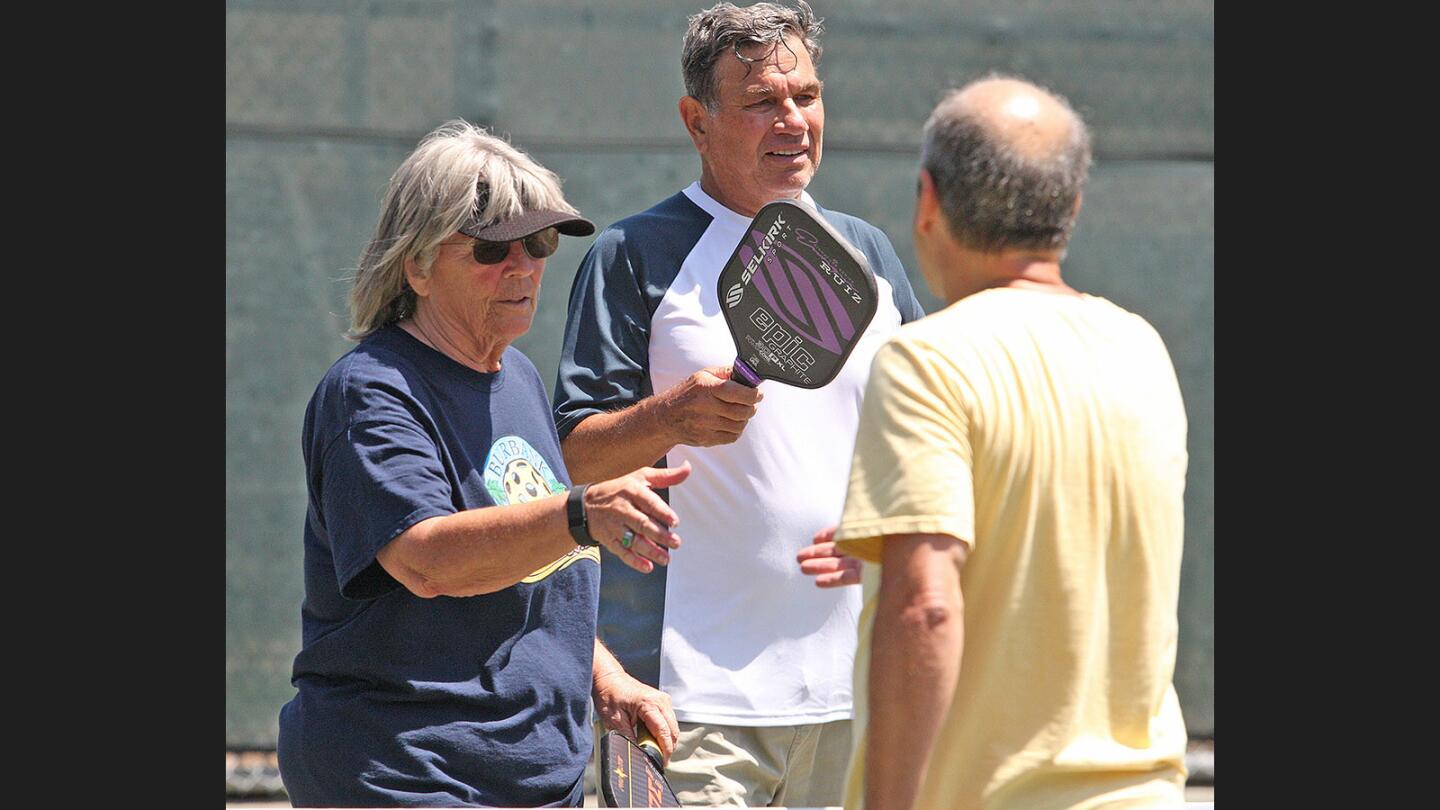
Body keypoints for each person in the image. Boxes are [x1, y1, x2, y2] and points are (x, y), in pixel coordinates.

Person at [552, 2, 924, 806]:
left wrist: (887, 533)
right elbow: (567, 460)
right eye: (761, 101)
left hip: (866, 692)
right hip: (697, 704)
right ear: (698, 120)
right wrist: (667, 419)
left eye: (806, 96)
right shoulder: (633, 255)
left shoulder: (869, 254)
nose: (792, 119)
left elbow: (935, 437)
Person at [276, 120, 689, 808]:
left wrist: (605, 679)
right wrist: (580, 512)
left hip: (530, 778)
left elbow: (530, 576)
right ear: (417, 265)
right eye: (492, 248)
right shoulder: (374, 390)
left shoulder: (518, 378)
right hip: (410, 771)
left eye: (539, 242)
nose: (523, 266)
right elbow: (428, 561)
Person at [829, 75, 1190, 809]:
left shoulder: (927, 360)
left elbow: (925, 607)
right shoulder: (1142, 348)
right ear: (1072, 206)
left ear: (928, 201)